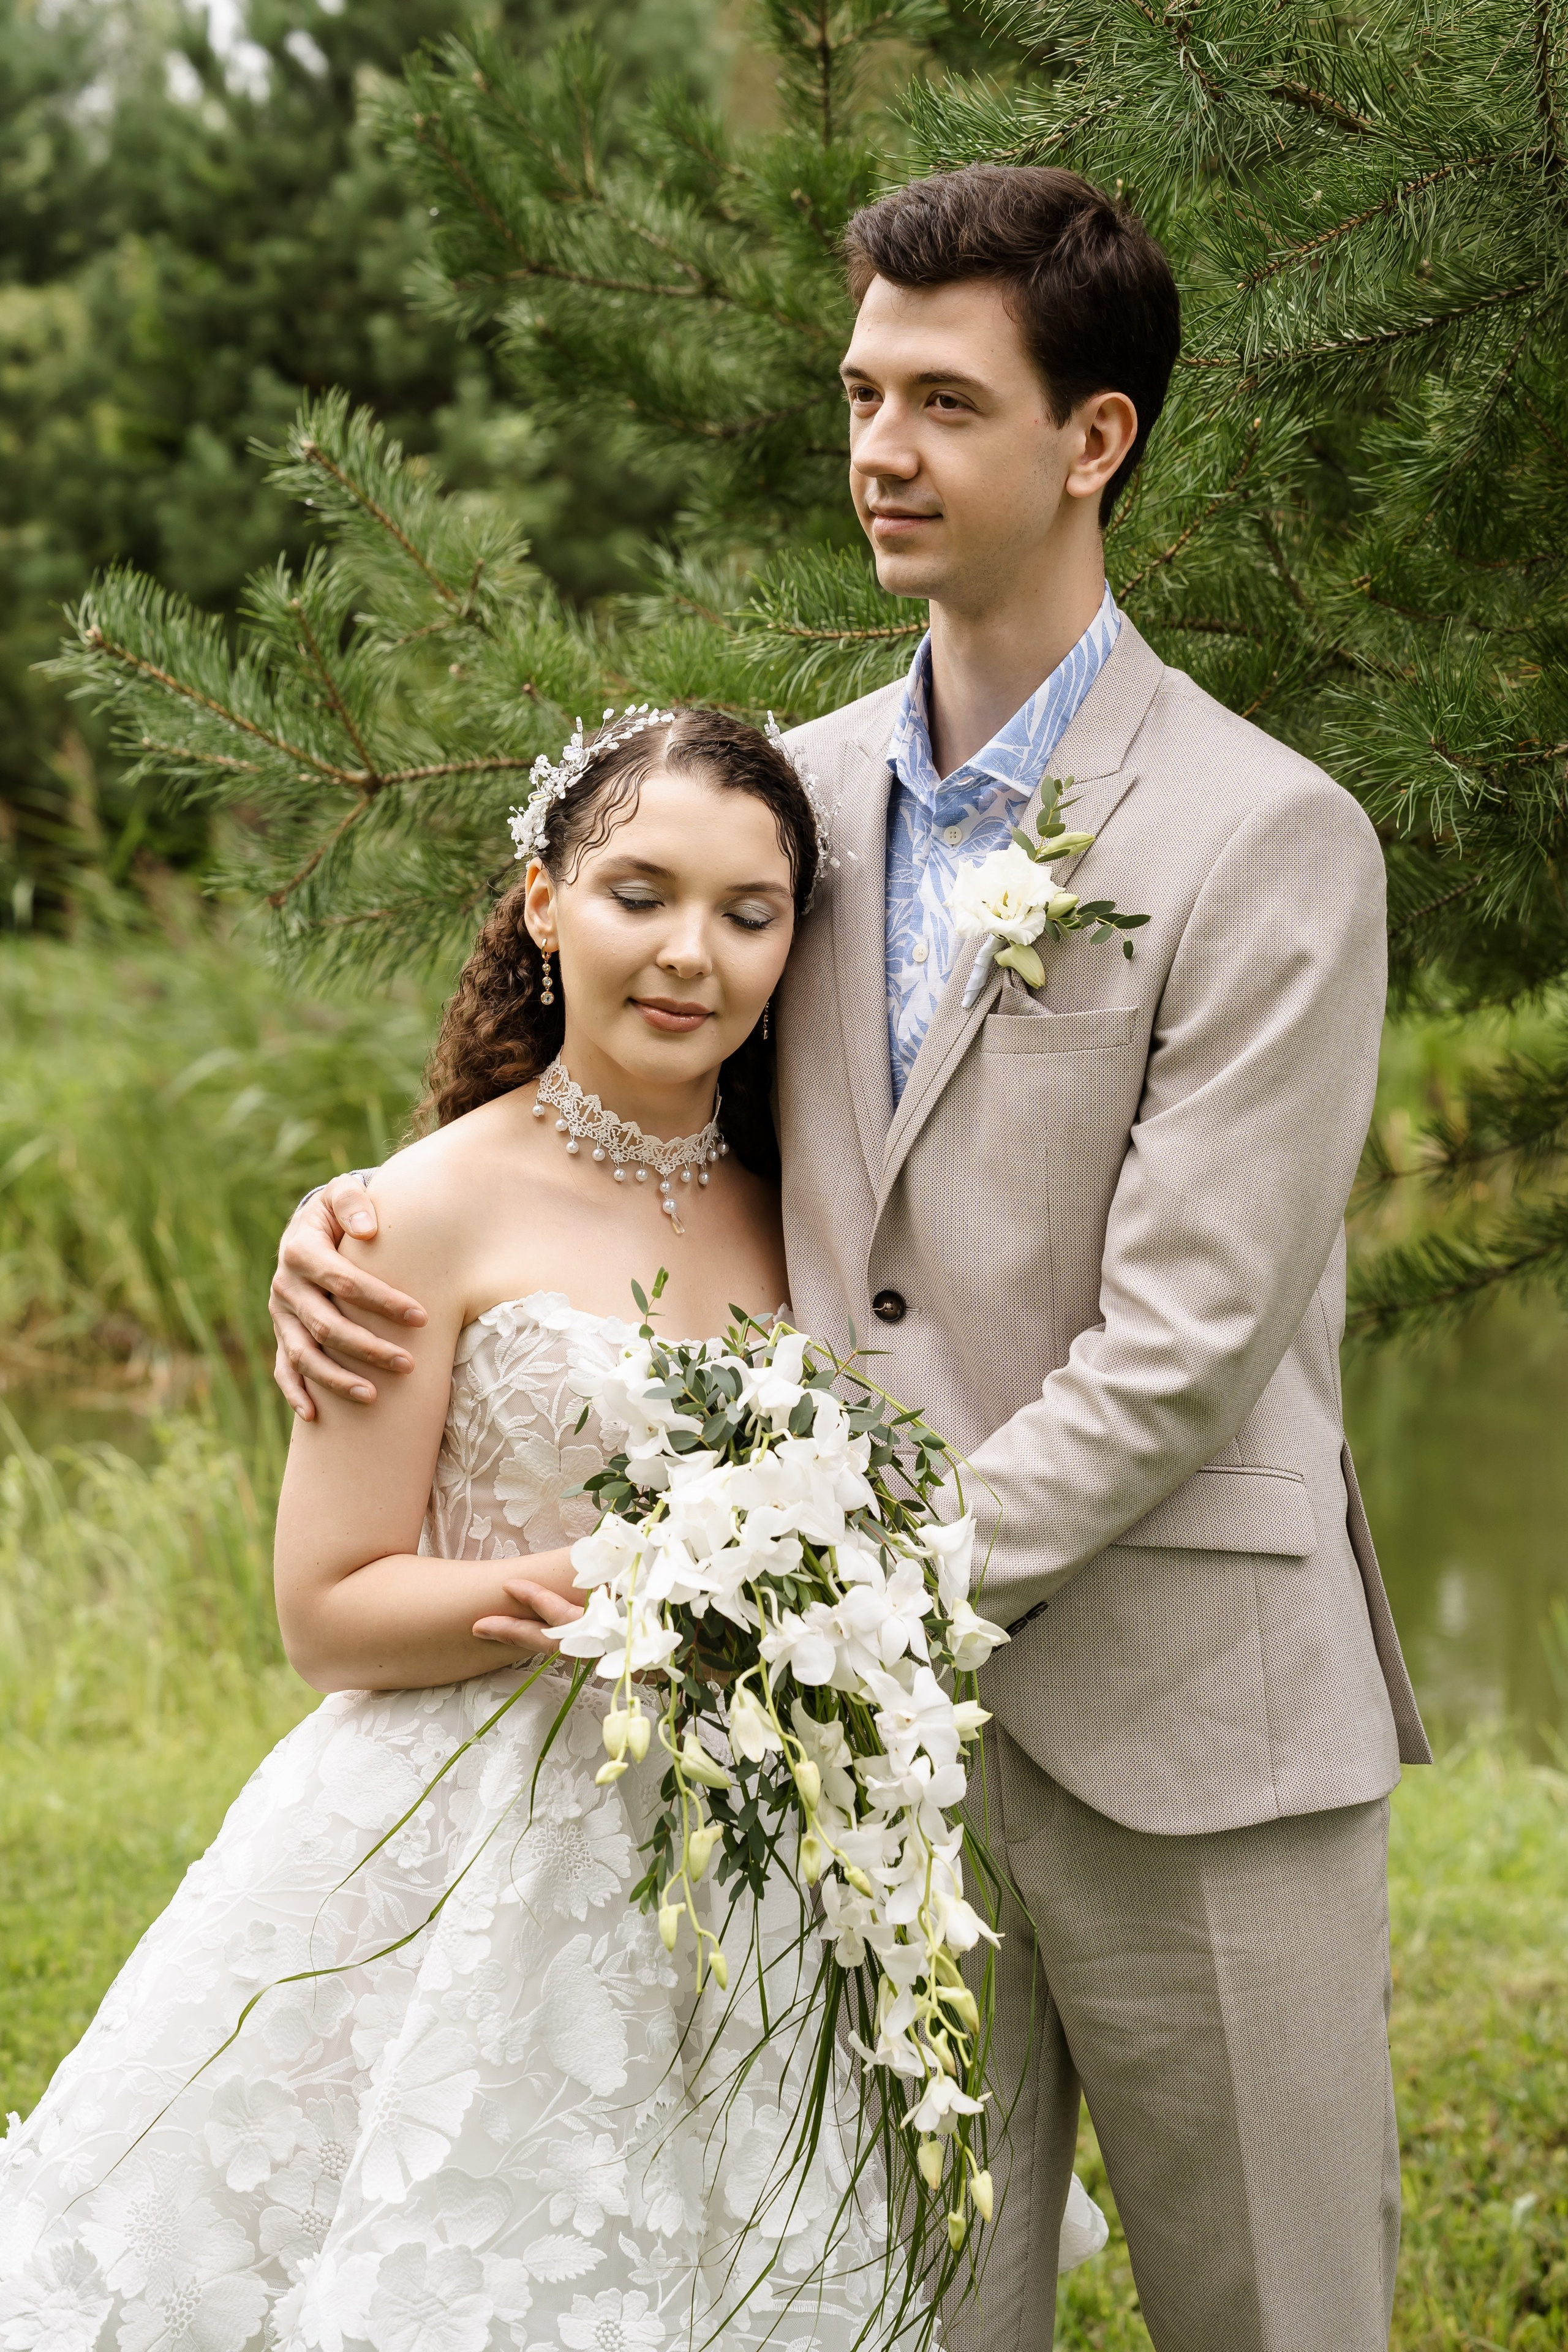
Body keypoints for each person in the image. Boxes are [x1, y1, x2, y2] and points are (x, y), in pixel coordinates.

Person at [270, 165, 1431, 2352]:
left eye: (945, 402)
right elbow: (613, 1131)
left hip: (1186, 1719)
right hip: (857, 1783)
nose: (879, 449)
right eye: (860, 391)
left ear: (1094, 441)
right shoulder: (792, 814)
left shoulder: (1269, 836)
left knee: (1280, 2315)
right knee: (896, 2311)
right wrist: (346, 1239)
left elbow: (1186, 1346)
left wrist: (826, 1604)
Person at [10, 710, 1082, 2352]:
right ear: (540, 904)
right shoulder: (420, 1208)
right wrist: (613, 1587)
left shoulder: (808, 1196)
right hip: (477, 1844)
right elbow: (326, 1609)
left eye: (749, 912)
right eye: (637, 893)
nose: (688, 955)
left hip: (746, 1843)